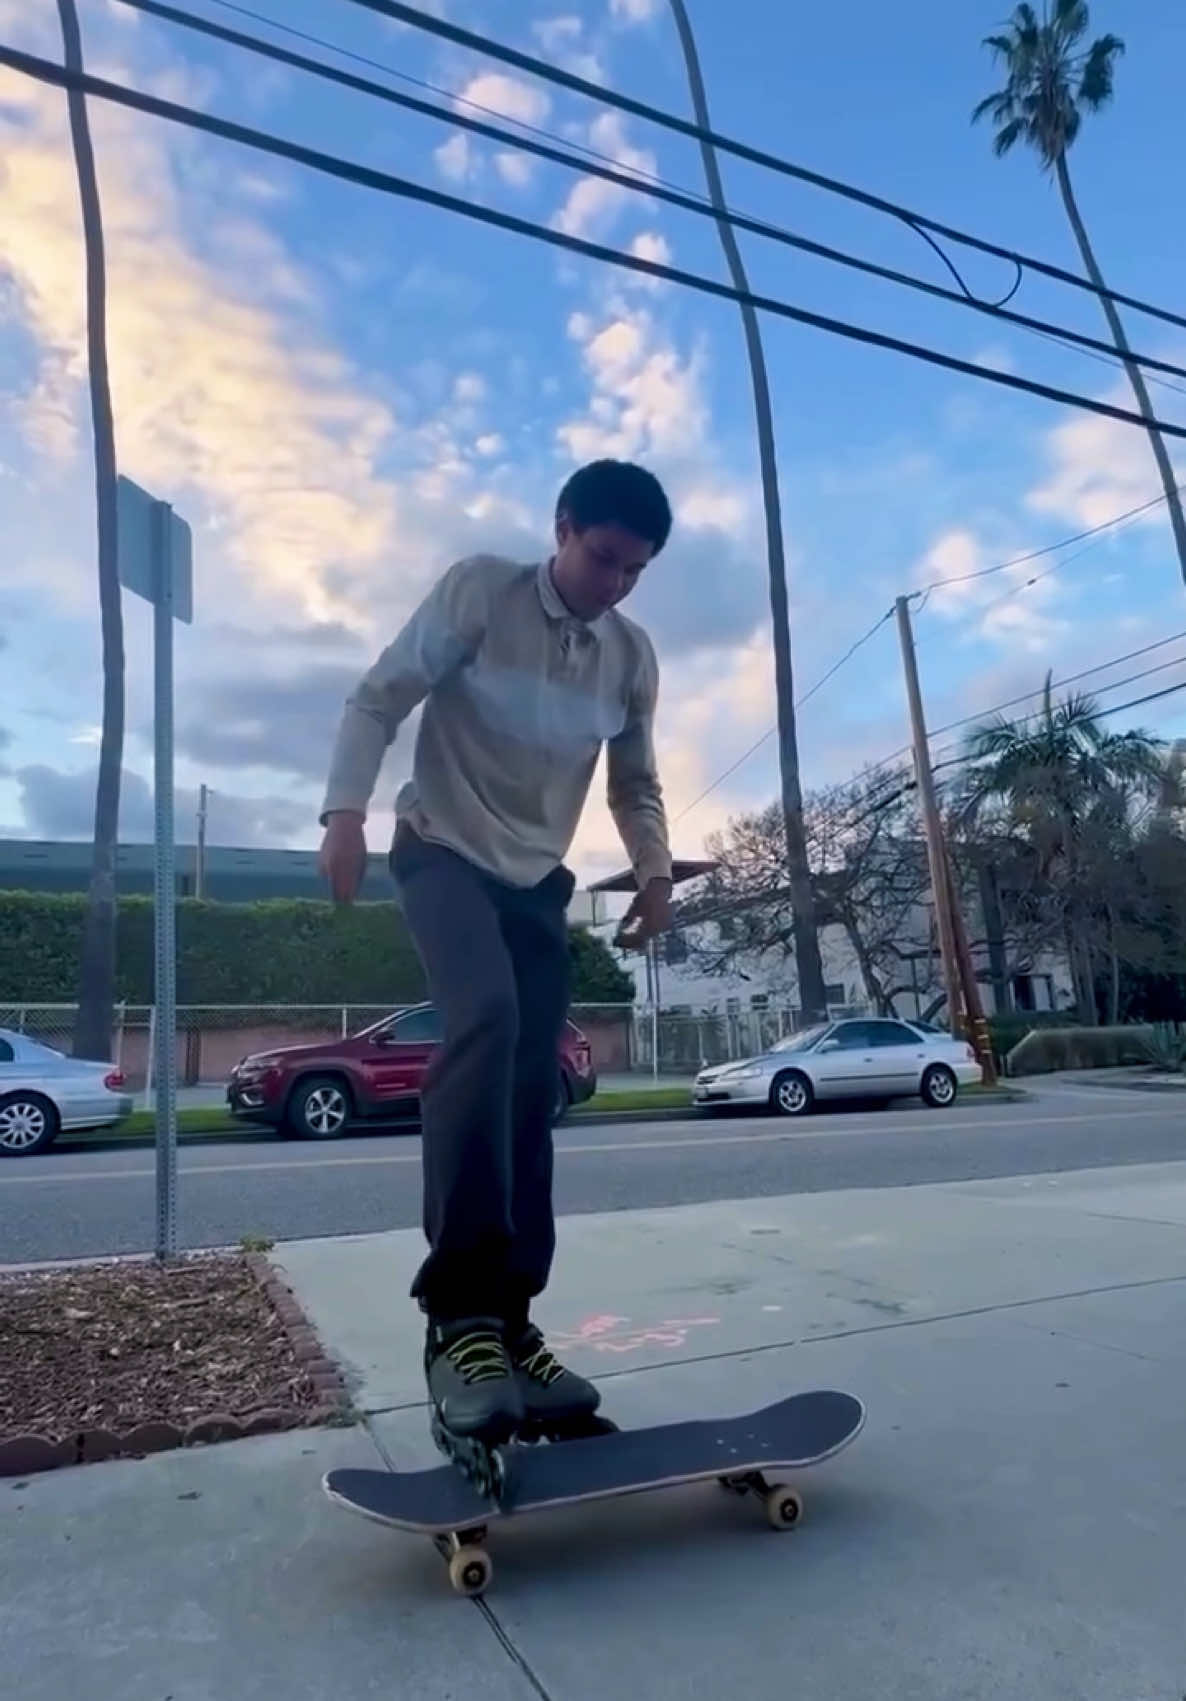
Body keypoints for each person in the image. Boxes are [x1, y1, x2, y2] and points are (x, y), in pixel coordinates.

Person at [318, 458, 674, 1451]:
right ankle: (458, 1321)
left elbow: (634, 786)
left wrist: (652, 870)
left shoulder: (632, 659)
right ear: (562, 528)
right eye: (603, 558)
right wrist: (343, 812)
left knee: (532, 1076)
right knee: (484, 1023)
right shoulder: (481, 589)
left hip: (532, 879)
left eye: (634, 571)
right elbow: (377, 698)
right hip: (439, 849)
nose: (613, 584)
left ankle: (511, 1327)